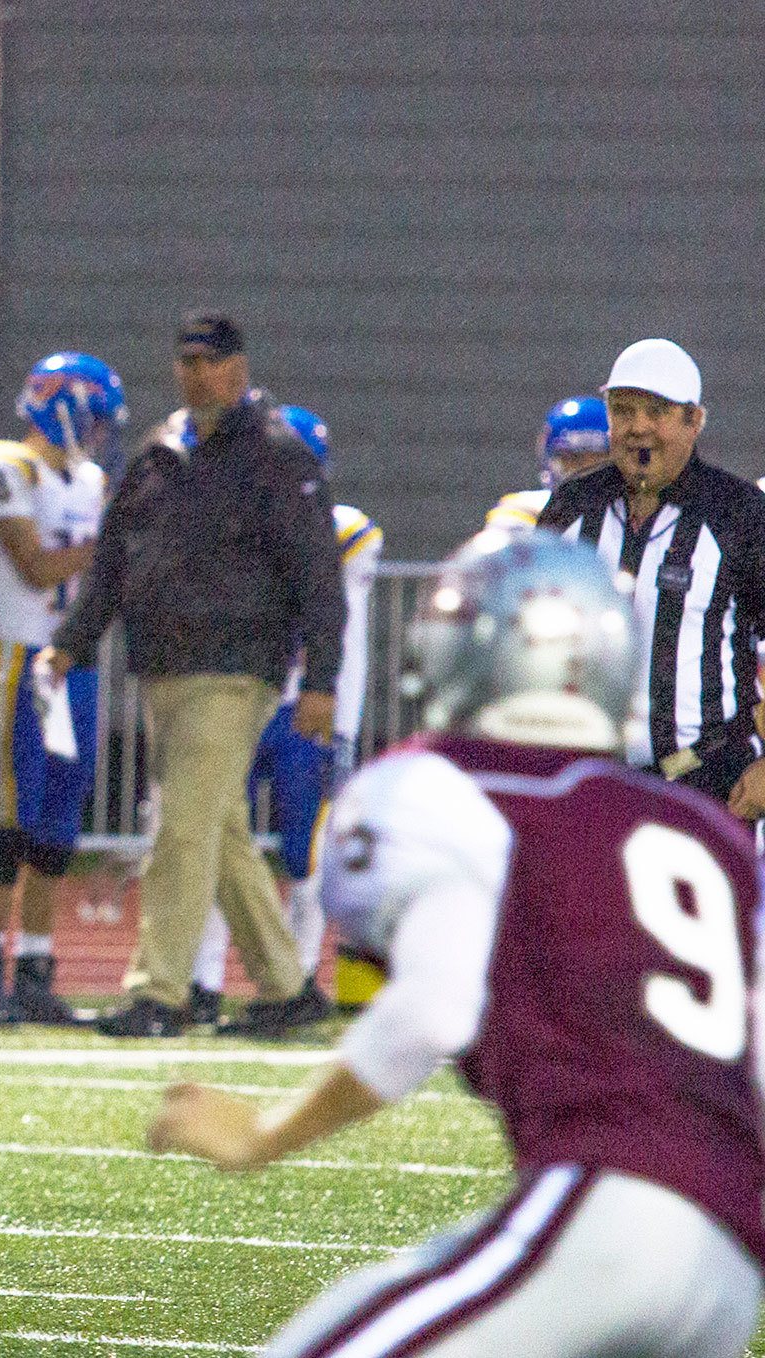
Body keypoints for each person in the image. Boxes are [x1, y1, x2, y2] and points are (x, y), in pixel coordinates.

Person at [149, 532, 763, 1358]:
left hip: (605, 1209)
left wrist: (265, 1135)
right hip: (729, 1268)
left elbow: (433, 1012)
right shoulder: (702, 828)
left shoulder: (434, 784)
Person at [44, 311, 344, 1038]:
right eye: (186, 359)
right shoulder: (158, 453)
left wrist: (322, 680)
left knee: (180, 828)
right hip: (165, 668)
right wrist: (73, 642)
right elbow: (114, 561)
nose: (197, 371)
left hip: (236, 667)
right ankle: (286, 987)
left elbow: (317, 574)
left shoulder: (277, 455)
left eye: (210, 360)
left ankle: (161, 994)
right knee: (222, 832)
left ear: (239, 369)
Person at [187, 405, 379, 1029]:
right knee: (219, 842)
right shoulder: (230, 523)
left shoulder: (345, 530)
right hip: (246, 702)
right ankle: (202, 981)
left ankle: (295, 982)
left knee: (308, 857)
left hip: (307, 713)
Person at [0, 351, 117, 1025]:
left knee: (57, 829)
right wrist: (121, 547)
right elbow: (37, 565)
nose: (102, 432)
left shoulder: (92, 479)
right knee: (11, 827)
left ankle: (38, 971)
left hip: (71, 665)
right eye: (97, 417)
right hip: (18, 660)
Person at [537, 339, 765, 816]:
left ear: (694, 420)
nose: (638, 427)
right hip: (584, 784)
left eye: (657, 411)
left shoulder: (739, 514)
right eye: (623, 411)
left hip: (706, 782)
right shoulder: (573, 507)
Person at [484, 396, 609, 533]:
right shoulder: (524, 512)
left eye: (599, 462)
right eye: (575, 460)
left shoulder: (629, 516)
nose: (586, 472)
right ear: (551, 461)